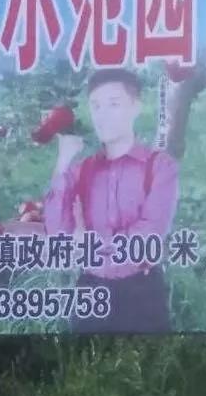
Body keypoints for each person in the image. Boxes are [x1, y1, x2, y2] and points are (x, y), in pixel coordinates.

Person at [43, 68, 178, 333]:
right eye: (96, 106)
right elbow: (57, 232)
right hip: (90, 290)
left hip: (141, 291)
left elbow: (148, 236)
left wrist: (88, 243)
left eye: (113, 104)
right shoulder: (82, 170)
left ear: (135, 107)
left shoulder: (159, 166)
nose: (102, 115)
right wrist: (63, 162)